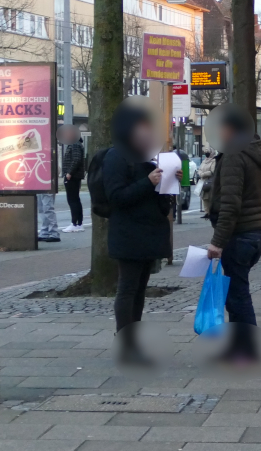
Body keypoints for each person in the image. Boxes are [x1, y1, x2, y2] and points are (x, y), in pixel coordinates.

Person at [103, 102, 181, 364]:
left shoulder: (151, 158)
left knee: (140, 289)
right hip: (128, 234)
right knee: (127, 288)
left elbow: (162, 203)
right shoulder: (117, 157)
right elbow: (117, 197)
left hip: (149, 233)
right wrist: (148, 182)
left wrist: (174, 182)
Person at [207, 108, 261, 363]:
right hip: (253, 232)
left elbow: (230, 205)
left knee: (237, 295)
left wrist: (217, 242)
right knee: (238, 291)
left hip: (240, 233)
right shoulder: (255, 151)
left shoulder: (234, 155)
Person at [61, 129, 86, 233]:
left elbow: (76, 159)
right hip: (75, 175)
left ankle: (74, 223)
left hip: (72, 176)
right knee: (75, 199)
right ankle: (78, 224)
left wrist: (69, 173)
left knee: (72, 200)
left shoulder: (75, 144)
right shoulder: (77, 144)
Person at [197, 149, 217, 217]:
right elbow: (199, 169)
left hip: (209, 181)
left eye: (208, 152)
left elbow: (212, 171)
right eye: (205, 153)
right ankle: (206, 212)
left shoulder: (214, 161)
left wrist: (203, 174)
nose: (206, 154)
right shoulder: (204, 161)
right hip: (203, 181)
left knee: (210, 197)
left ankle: (211, 212)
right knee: (204, 197)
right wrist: (200, 173)